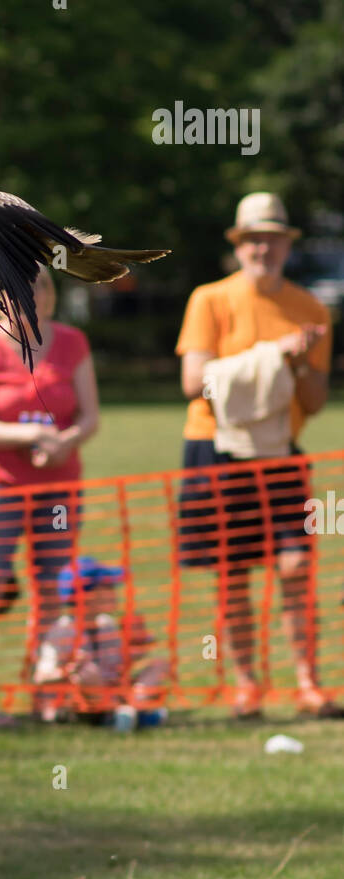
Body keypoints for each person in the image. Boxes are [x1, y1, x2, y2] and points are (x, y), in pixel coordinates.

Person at [176, 192, 333, 718]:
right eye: (253, 239)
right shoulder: (210, 299)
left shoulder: (311, 309)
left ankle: (309, 682)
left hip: (278, 450)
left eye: (272, 239)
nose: (262, 248)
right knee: (232, 570)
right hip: (215, 447)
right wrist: (272, 355)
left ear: (286, 246)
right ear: (239, 246)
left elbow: (312, 402)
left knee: (295, 566)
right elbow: (195, 383)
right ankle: (247, 686)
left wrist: (302, 360)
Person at [0, 265, 100, 725]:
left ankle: (48, 694)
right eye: (18, 288)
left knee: (54, 587)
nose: (30, 296)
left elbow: (89, 417)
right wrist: (33, 438)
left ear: (49, 293)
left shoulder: (72, 343)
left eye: (38, 286)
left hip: (59, 486)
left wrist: (64, 442)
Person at [33, 557, 168, 721]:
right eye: (108, 587)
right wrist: (67, 670)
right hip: (82, 704)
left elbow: (117, 668)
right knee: (88, 672)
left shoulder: (107, 624)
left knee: (160, 665)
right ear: (88, 596)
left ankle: (129, 709)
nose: (114, 592)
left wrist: (134, 650)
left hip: (112, 691)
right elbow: (41, 678)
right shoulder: (62, 631)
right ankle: (123, 713)